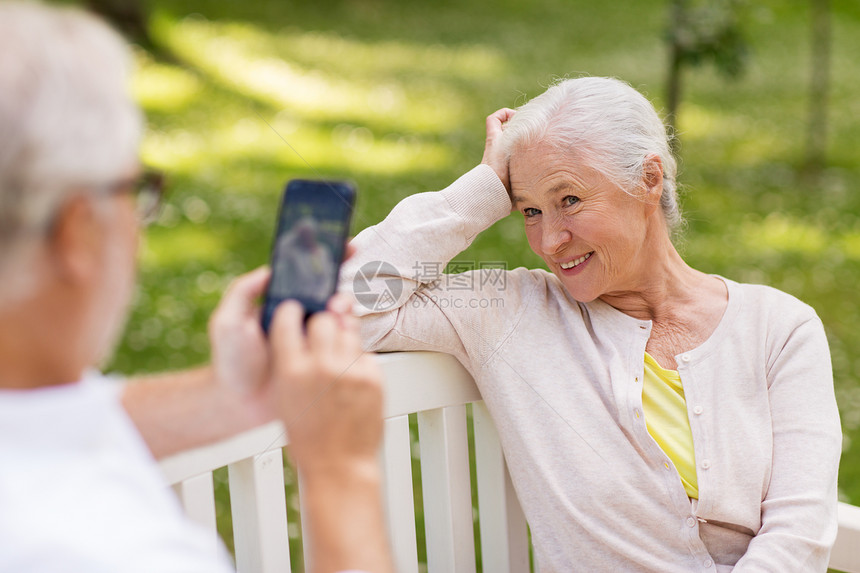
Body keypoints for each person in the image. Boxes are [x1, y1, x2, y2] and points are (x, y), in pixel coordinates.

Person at [341, 76, 843, 571]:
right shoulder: (511, 311)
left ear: (649, 179)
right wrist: (481, 191)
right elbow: (344, 302)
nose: (549, 241)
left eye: (570, 200)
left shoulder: (780, 329)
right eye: (530, 211)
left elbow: (799, 533)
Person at [0, 3, 392, 573]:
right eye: (135, 189)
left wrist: (232, 395)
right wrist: (341, 473)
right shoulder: (101, 548)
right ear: (77, 233)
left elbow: (43, 424)